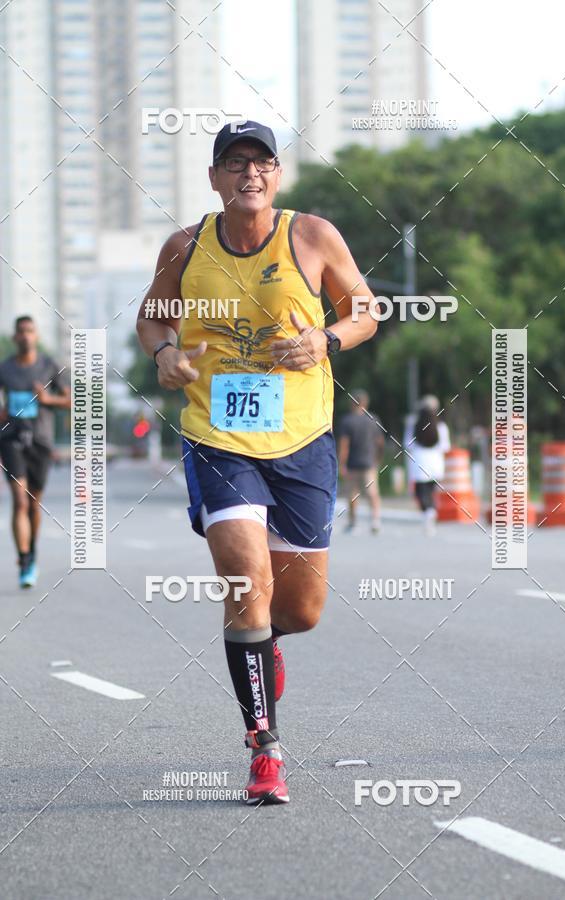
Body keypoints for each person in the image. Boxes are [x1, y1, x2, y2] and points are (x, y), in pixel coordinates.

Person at [136, 120, 377, 805]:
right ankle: (264, 749)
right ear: (213, 178)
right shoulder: (185, 248)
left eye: (262, 162)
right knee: (247, 585)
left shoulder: (312, 236)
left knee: (297, 612)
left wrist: (326, 340)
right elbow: (153, 318)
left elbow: (366, 310)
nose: (249, 173)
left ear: (277, 175)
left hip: (302, 439)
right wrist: (164, 353)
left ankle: (264, 645)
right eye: (234, 162)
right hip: (217, 435)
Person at [0, 316, 71, 587]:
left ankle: (32, 552)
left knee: (33, 504)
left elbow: (70, 400)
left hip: (40, 441)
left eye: (30, 331)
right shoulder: (4, 369)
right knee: (19, 500)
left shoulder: (49, 365)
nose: (26, 336)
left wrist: (48, 399)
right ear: (15, 337)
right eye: (21, 332)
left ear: (36, 336)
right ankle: (25, 559)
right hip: (10, 438)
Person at [337, 389, 385, 533]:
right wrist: (378, 459)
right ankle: (375, 521)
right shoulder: (373, 419)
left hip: (352, 464)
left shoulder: (347, 421)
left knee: (352, 494)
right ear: (365, 403)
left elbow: (344, 445)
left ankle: (353, 523)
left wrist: (342, 464)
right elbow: (380, 442)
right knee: (372, 492)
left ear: (352, 403)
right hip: (370, 463)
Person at [404, 395, 450, 535]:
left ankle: (428, 512)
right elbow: (445, 446)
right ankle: (431, 513)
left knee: (421, 492)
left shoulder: (413, 423)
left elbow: (407, 443)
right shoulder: (441, 426)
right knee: (430, 491)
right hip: (436, 463)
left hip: (419, 462)